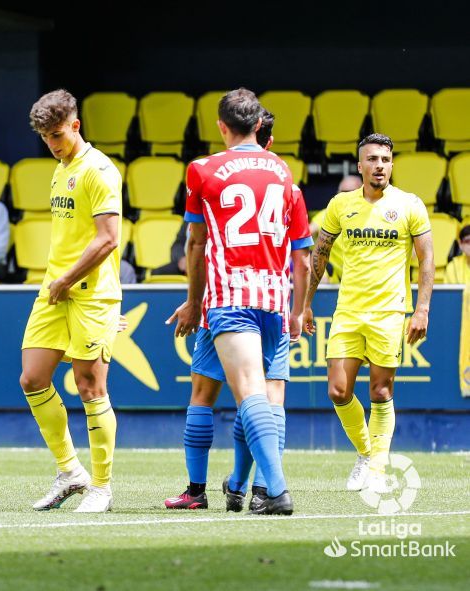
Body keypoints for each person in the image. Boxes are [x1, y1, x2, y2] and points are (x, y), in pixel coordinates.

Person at [164, 109, 312, 513]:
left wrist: (195, 301)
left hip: (225, 297)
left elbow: (197, 243)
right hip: (274, 299)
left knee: (216, 393)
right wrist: (300, 308)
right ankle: (251, 486)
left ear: (222, 125)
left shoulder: (206, 169)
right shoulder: (285, 177)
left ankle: (257, 490)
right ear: (266, 135)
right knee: (269, 396)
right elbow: (304, 258)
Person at [304, 133, 433, 493]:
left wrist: (421, 308)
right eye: (372, 159)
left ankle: (376, 469)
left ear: (392, 164)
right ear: (360, 165)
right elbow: (320, 254)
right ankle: (366, 452)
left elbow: (426, 259)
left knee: (380, 391)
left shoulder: (409, 205)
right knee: (338, 390)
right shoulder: (340, 204)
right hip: (348, 310)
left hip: (390, 311)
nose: (380, 165)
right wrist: (306, 305)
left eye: (385, 160)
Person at [19, 89, 122, 513]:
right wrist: (56, 282)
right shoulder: (60, 169)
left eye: (58, 134)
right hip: (55, 289)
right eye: (45, 137)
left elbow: (109, 239)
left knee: (89, 388)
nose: (53, 143)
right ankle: (70, 471)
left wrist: (66, 280)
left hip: (89, 293)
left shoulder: (99, 170)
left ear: (76, 125)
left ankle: (101, 485)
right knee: (32, 378)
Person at [311, 175, 362, 283]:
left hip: (364, 281)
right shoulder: (327, 214)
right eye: (343, 192)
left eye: (351, 192)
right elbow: (305, 234)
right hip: (335, 283)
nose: (346, 196)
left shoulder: (371, 216)